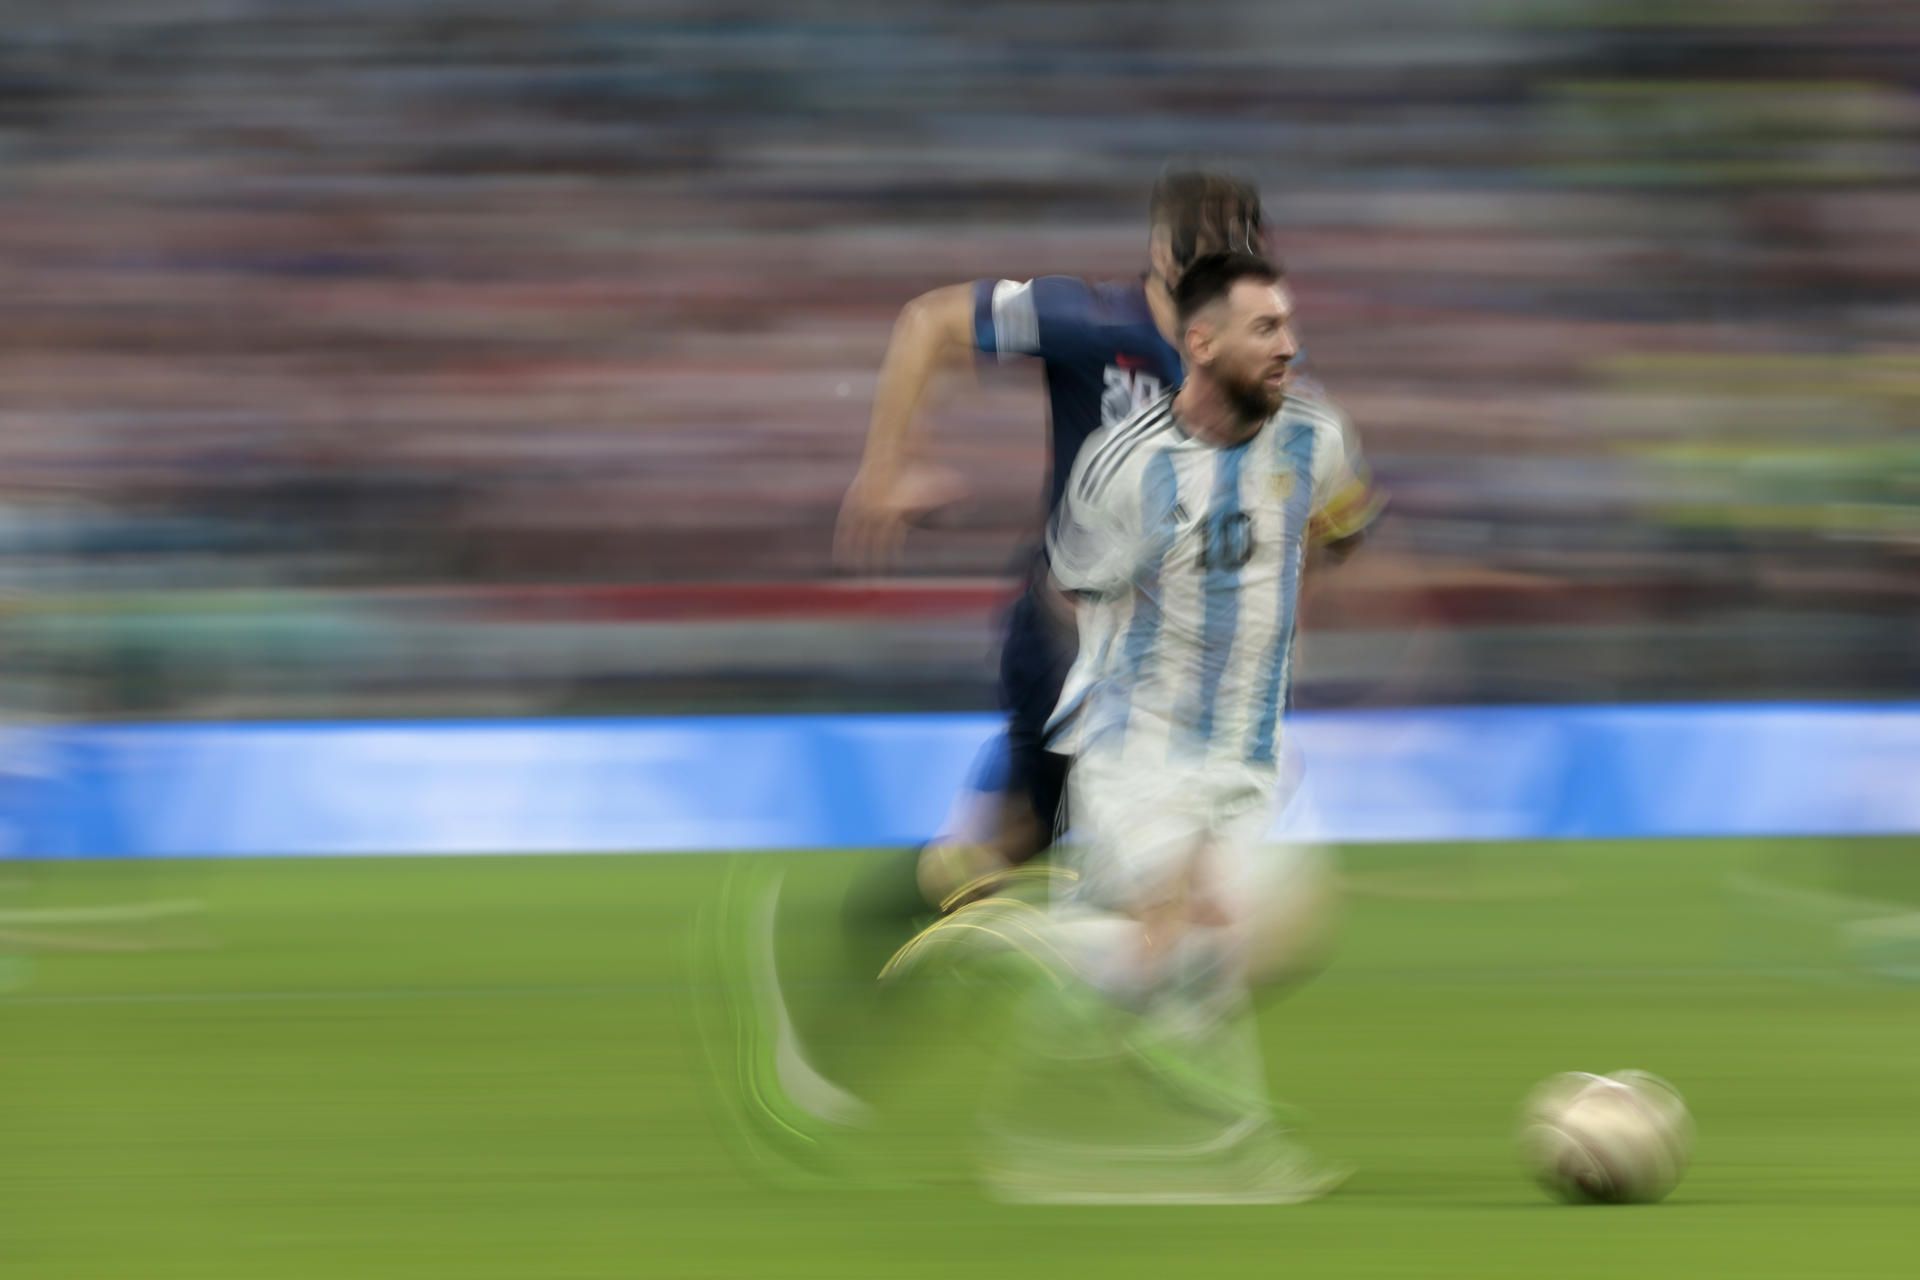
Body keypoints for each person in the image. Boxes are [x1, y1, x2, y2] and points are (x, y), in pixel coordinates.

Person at [901, 250, 1382, 1202]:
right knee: (1192, 939)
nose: (1290, 344)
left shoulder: (1316, 433)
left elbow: (1343, 525)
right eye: (1265, 329)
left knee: (1263, 941)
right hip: (1143, 744)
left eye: (1289, 326)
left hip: (1248, 748)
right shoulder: (1124, 468)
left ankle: (1020, 947)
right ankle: (1240, 1146)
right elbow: (1060, 596)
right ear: (1200, 345)